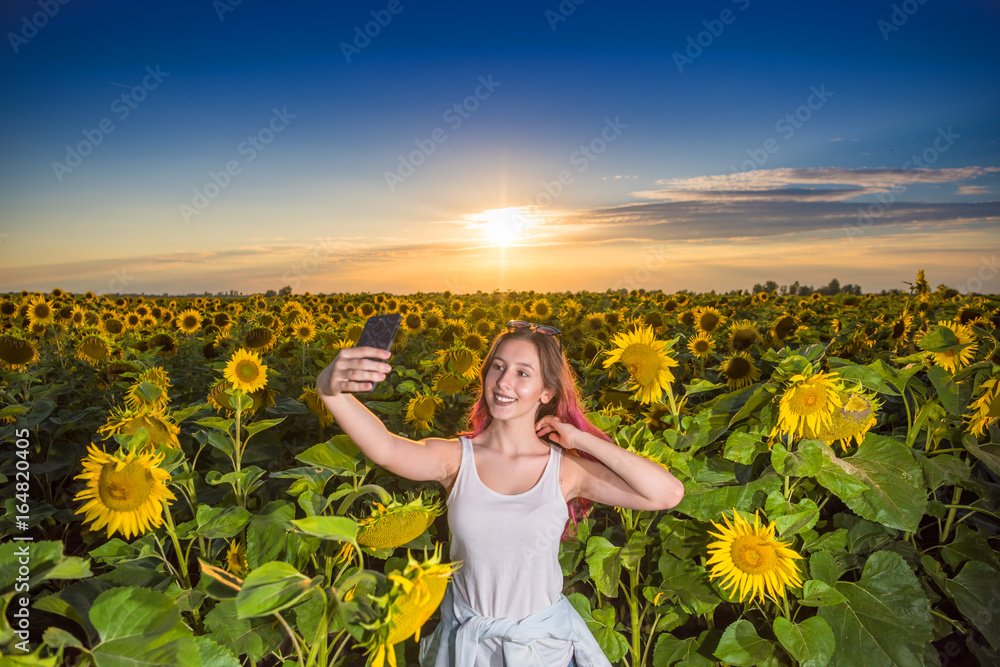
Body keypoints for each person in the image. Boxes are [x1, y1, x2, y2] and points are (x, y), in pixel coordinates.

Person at [316, 320, 685, 667]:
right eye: (497, 367)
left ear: (547, 392)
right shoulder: (456, 459)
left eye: (522, 373)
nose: (504, 381)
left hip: (542, 650)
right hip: (469, 647)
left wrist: (580, 439)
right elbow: (385, 448)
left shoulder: (566, 471)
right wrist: (329, 390)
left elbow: (667, 493)